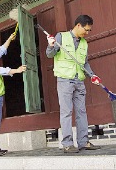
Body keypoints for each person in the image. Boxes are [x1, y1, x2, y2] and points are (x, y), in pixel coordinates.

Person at [46, 15, 102, 153]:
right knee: (66, 112)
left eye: (89, 31)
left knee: (81, 112)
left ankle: (83, 142)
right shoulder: (61, 37)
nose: (87, 33)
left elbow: (85, 62)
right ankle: (67, 143)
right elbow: (50, 54)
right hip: (65, 80)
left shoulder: (84, 43)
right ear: (78, 25)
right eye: (86, 30)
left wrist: (92, 75)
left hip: (79, 80)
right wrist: (51, 45)